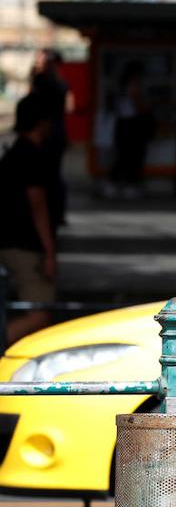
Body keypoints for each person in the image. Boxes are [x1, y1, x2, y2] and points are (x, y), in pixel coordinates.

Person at [0, 95, 59, 345]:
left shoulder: (14, 152)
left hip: (10, 241)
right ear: (42, 121)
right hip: (25, 246)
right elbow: (39, 208)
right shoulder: (33, 156)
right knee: (40, 312)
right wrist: (49, 252)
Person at [29, 49, 72, 227]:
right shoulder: (62, 83)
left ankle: (44, 213)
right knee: (55, 175)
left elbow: (30, 105)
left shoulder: (41, 82)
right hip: (58, 131)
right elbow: (70, 106)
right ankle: (57, 213)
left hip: (44, 134)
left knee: (41, 176)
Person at [110, 61, 154, 198]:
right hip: (132, 125)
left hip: (123, 124)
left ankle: (117, 183)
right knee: (132, 156)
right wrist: (150, 107)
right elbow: (140, 106)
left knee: (124, 156)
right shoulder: (133, 85)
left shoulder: (122, 86)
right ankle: (129, 184)